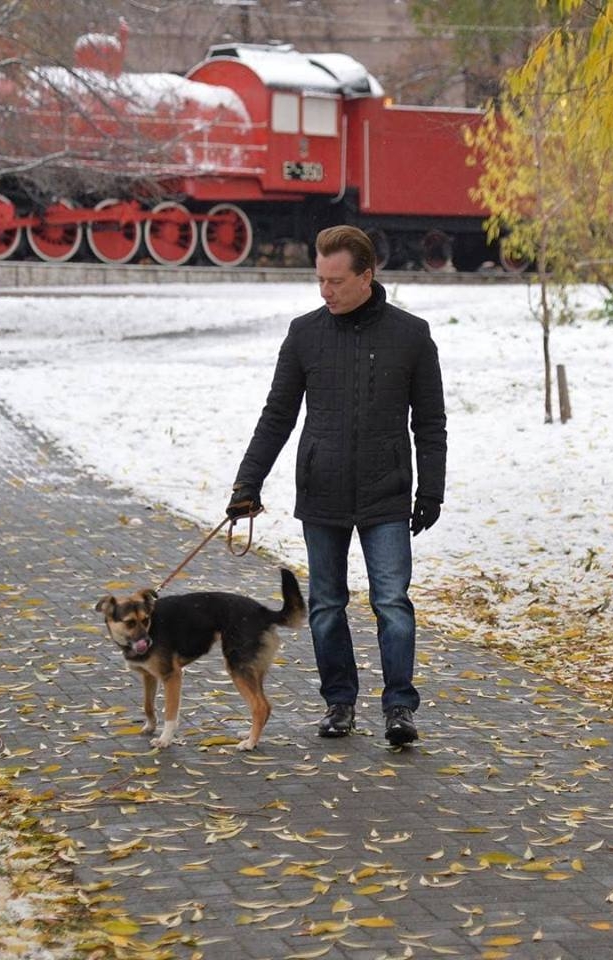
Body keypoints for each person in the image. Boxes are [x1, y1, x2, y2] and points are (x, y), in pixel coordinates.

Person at [226, 225, 446, 746]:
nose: (325, 291)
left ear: (367, 276)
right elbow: (277, 415)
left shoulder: (411, 335)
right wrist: (246, 482)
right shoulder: (305, 334)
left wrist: (430, 489)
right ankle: (339, 703)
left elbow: (430, 423)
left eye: (336, 281)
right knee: (325, 604)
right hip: (321, 490)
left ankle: (399, 709)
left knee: (392, 602)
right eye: (320, 279)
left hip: (386, 491)